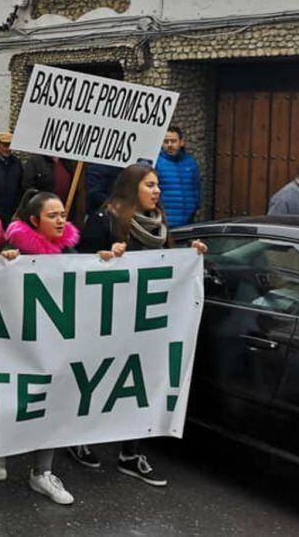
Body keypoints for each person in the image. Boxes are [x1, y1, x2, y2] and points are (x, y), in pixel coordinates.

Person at [71, 164, 207, 485]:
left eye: (157, 184)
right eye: (150, 185)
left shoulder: (158, 225)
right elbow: (76, 266)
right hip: (105, 323)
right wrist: (104, 257)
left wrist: (192, 255)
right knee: (97, 381)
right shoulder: (103, 220)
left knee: (136, 387)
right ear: (133, 188)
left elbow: (167, 267)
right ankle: (77, 438)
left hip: (143, 327)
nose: (157, 191)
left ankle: (129, 453)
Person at [0, 189, 82, 504]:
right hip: (15, 342)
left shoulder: (67, 253)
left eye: (63, 214)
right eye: (52, 215)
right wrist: (5, 262)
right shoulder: (15, 250)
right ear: (34, 220)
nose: (60, 220)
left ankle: (42, 472)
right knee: (15, 398)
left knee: (50, 402)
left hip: (52, 341)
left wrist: (106, 260)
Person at [154, 126, 201, 227]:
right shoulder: (157, 163)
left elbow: (196, 188)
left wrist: (195, 207)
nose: (169, 145)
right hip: (164, 222)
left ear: (181, 142)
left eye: (173, 141)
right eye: (166, 141)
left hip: (187, 222)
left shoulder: (190, 162)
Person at [21, 154, 85, 223]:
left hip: (64, 213)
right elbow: (27, 186)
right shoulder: (35, 161)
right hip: (42, 213)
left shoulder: (68, 162)